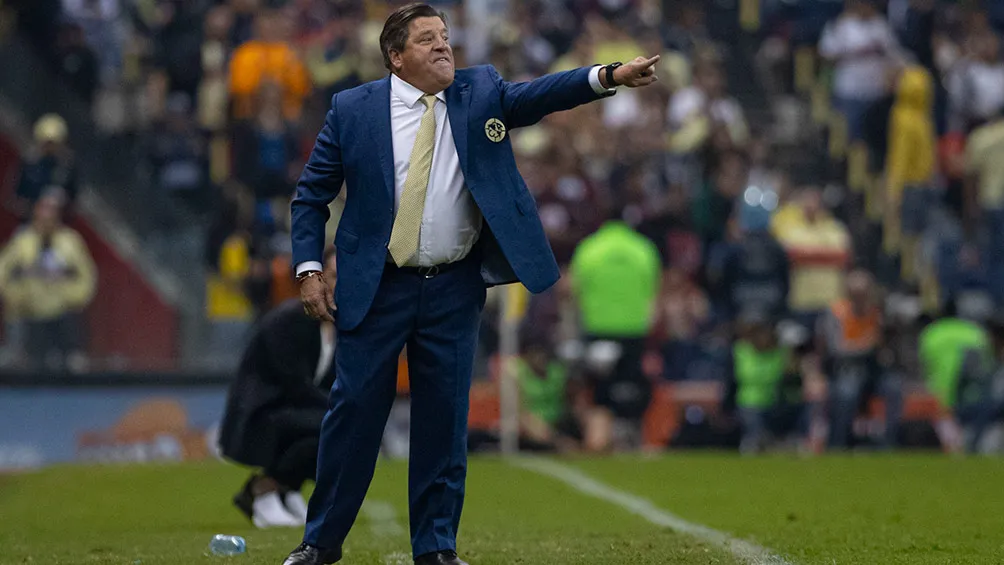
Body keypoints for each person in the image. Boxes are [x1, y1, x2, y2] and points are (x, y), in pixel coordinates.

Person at [286, 4, 661, 564]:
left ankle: (436, 548)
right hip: (377, 284)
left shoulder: (480, 90)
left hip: (453, 286)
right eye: (427, 39)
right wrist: (309, 269)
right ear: (395, 56)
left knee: (443, 420)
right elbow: (311, 195)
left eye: (445, 36)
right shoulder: (353, 108)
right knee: (354, 414)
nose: (444, 45)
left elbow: (540, 94)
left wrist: (608, 75)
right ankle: (319, 543)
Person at [218, 248, 337, 528]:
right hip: (262, 414)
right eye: (333, 275)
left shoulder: (340, 325)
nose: (341, 284)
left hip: (297, 411)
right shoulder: (288, 319)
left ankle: (288, 489)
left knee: (340, 427)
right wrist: (343, 408)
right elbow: (292, 384)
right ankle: (263, 489)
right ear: (317, 278)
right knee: (336, 424)